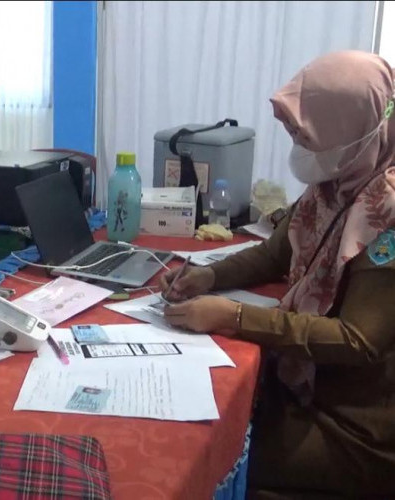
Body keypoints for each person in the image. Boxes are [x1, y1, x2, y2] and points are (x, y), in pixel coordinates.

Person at [161, 50, 395, 498]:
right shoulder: (337, 182)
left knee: (203, 453)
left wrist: (233, 316)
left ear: (351, 131)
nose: (298, 149)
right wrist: (208, 278)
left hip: (357, 430)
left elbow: (358, 340)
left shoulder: (385, 212)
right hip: (308, 393)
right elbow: (275, 253)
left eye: (305, 136)